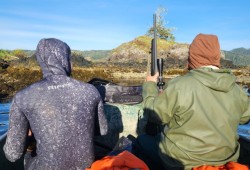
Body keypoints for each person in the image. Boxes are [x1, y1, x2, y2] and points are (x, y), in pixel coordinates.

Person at [137, 33, 250, 169]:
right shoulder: (237, 90)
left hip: (180, 163)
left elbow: (155, 114)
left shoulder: (179, 85)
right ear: (217, 56)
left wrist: (150, 85)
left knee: (142, 141)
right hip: (224, 161)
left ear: (192, 56)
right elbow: (244, 118)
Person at [4, 38, 108, 170]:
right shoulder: (90, 90)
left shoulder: (23, 97)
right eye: (70, 59)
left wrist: (28, 135)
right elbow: (103, 131)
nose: (72, 64)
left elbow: (12, 154)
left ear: (41, 60)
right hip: (86, 166)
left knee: (30, 154)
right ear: (64, 60)